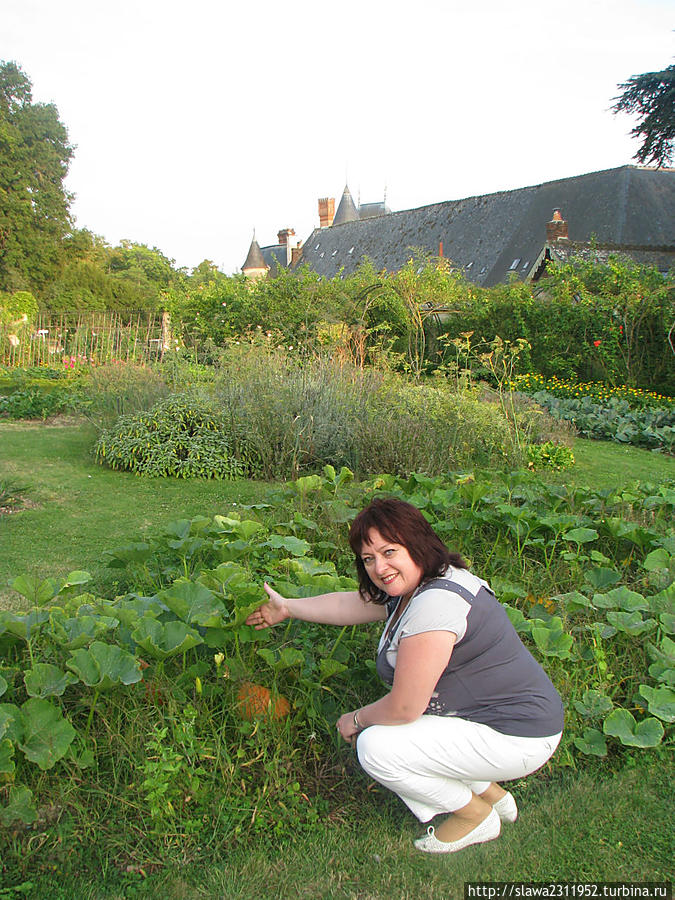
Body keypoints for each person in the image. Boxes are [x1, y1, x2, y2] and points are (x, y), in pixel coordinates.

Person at [246, 497, 564, 854]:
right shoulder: (419, 583)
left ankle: (475, 815)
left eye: (389, 552)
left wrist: (356, 719)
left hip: (519, 735)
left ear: (416, 543)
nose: (379, 567)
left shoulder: (434, 605)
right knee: (410, 730)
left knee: (377, 746)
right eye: (369, 559)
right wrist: (287, 607)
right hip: (499, 721)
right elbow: (346, 604)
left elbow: (405, 707)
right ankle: (494, 796)